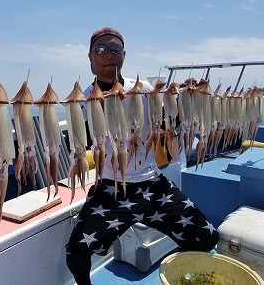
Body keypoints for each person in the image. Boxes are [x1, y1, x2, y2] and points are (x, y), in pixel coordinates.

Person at [65, 27, 219, 285]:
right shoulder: (82, 101)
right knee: (76, 253)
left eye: (114, 49)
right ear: (91, 57)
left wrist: (185, 97)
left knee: (206, 237)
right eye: (101, 50)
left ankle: (184, 276)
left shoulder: (144, 90)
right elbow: (83, 144)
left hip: (153, 185)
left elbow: (168, 123)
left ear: (123, 55)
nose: (108, 55)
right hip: (112, 189)